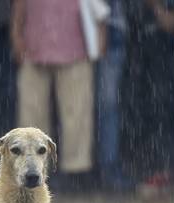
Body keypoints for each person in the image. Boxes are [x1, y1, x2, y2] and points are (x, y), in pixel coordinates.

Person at [11, 0, 109, 188]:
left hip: (76, 46)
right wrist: (16, 36)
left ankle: (75, 171)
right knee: (32, 114)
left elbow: (98, 9)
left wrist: (100, 39)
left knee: (77, 112)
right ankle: (33, 170)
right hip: (33, 46)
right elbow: (19, 6)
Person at [125, 0, 174, 195]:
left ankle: (169, 170)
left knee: (169, 104)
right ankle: (154, 169)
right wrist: (160, 11)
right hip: (141, 36)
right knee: (146, 103)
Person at [96, 0, 135, 191]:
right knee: (79, 106)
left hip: (111, 30)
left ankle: (107, 167)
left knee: (108, 104)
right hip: (70, 29)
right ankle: (83, 169)